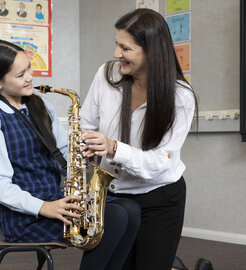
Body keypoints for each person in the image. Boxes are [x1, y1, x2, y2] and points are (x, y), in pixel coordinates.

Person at [0, 39, 141, 270]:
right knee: (115, 217)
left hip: (57, 199)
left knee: (130, 209)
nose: (30, 77)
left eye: (29, 68)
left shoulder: (40, 106)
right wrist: (44, 207)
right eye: (21, 74)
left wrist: (84, 153)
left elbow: (65, 154)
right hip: (26, 215)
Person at [80, 8, 198, 270]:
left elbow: (160, 162)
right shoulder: (106, 75)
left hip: (160, 199)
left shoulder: (181, 97)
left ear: (151, 52)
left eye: (126, 48)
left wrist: (113, 148)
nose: (116, 54)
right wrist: (85, 146)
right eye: (116, 44)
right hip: (113, 197)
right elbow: (86, 124)